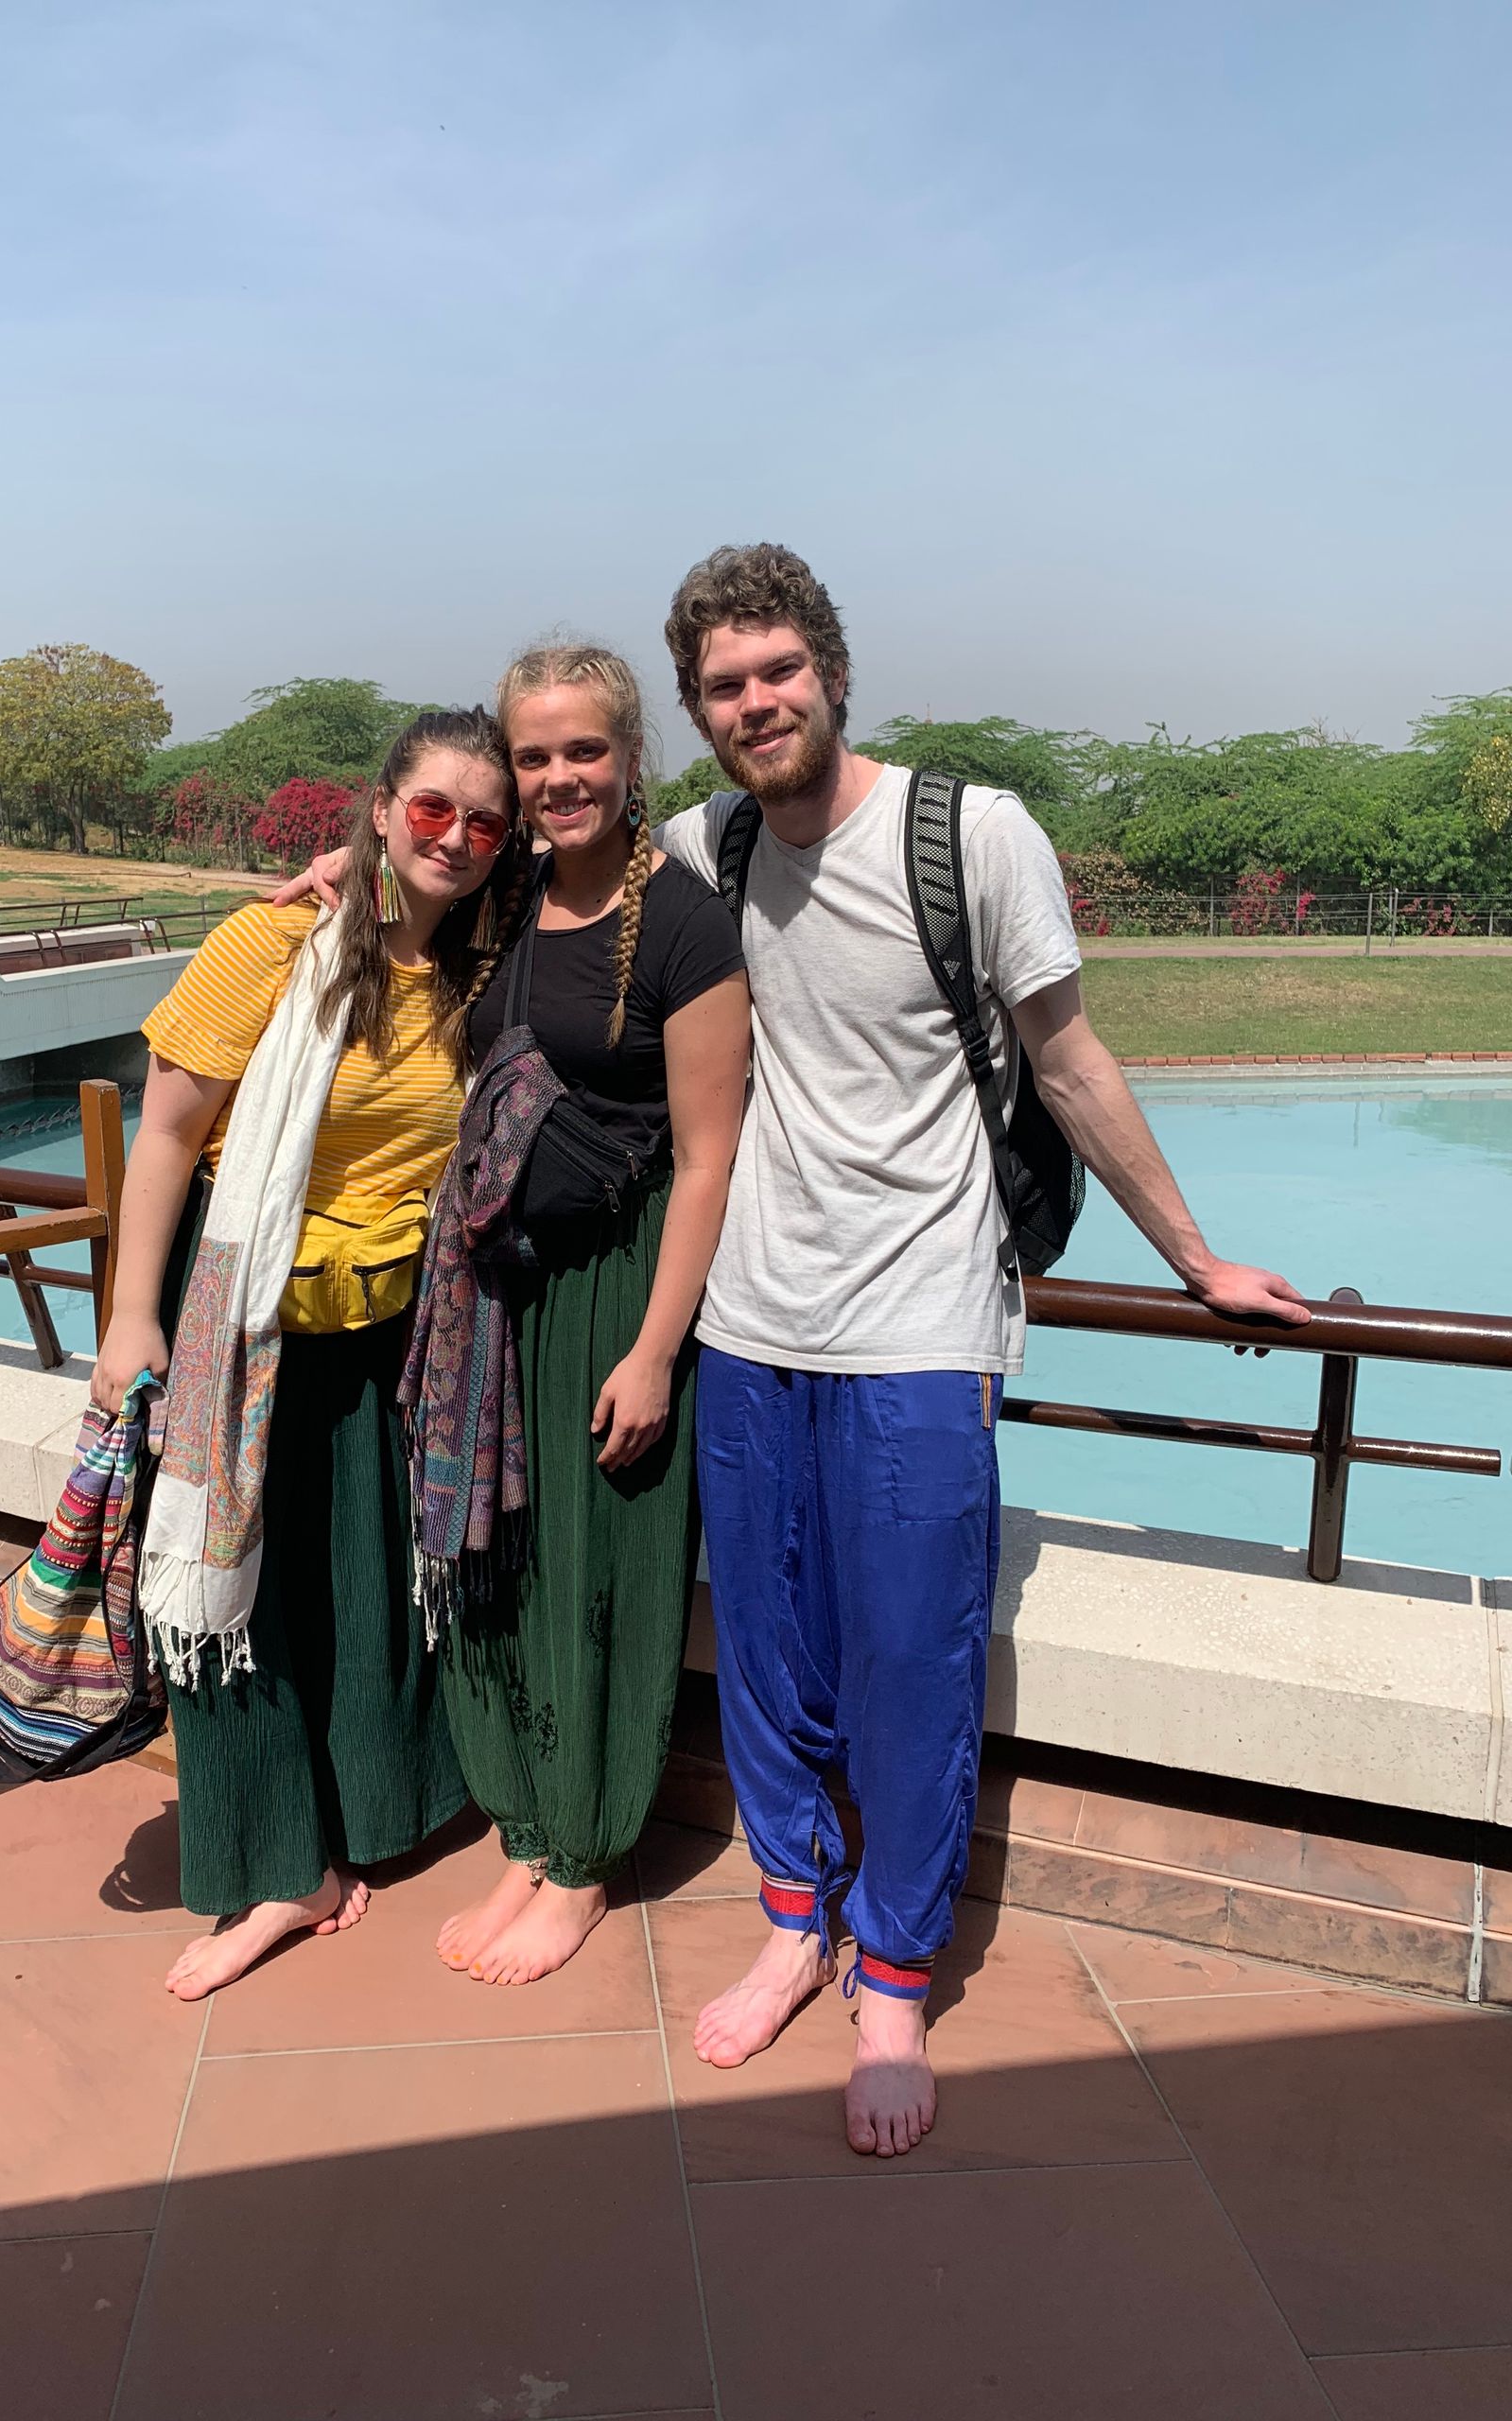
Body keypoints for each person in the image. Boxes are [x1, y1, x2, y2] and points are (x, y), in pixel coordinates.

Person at [652, 544, 1310, 2156]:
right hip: (748, 1319)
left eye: (778, 671)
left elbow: (1067, 1058)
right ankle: (794, 1919)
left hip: (921, 1326)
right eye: (725, 686)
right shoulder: (701, 847)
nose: (757, 703)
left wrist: (1197, 1257)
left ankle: (893, 1978)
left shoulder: (970, 835)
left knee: (911, 1660)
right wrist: (356, 877)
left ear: (833, 669)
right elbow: (553, 894)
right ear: (699, 711)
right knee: (769, 1650)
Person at [283, 644, 751, 1985]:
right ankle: (525, 1829)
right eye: (533, 756)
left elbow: (708, 1154)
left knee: (603, 1571)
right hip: (493, 1297)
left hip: (614, 1289)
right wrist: (338, 873)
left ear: (629, 757)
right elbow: (406, 894)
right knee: (499, 1567)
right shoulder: (512, 893)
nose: (556, 780)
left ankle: (585, 1856)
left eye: (582, 752)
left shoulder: (682, 926)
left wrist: (657, 1350)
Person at [90, 707, 518, 2000]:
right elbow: (165, 1137)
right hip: (243, 1315)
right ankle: (280, 1871)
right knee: (229, 1596)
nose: (455, 835)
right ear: (380, 808)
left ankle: (374, 1816)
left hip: (389, 1330)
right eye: (431, 807)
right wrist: (128, 1318)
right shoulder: (274, 943)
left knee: (365, 1585)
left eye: (483, 819)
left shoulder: (479, 971)